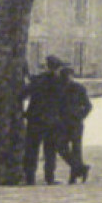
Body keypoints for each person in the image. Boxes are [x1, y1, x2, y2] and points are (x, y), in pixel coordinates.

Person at [22, 55, 74, 185]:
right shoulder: (60, 82)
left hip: (35, 119)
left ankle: (30, 177)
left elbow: (23, 94)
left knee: (32, 149)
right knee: (50, 151)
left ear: (46, 66)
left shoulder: (37, 80)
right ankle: (49, 177)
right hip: (52, 120)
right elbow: (64, 103)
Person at [62, 64, 93, 184]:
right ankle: (80, 168)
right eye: (65, 76)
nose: (67, 78)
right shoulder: (58, 88)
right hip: (63, 123)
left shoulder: (79, 88)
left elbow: (88, 106)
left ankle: (74, 175)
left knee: (76, 149)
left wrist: (80, 116)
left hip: (75, 123)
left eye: (68, 76)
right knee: (62, 147)